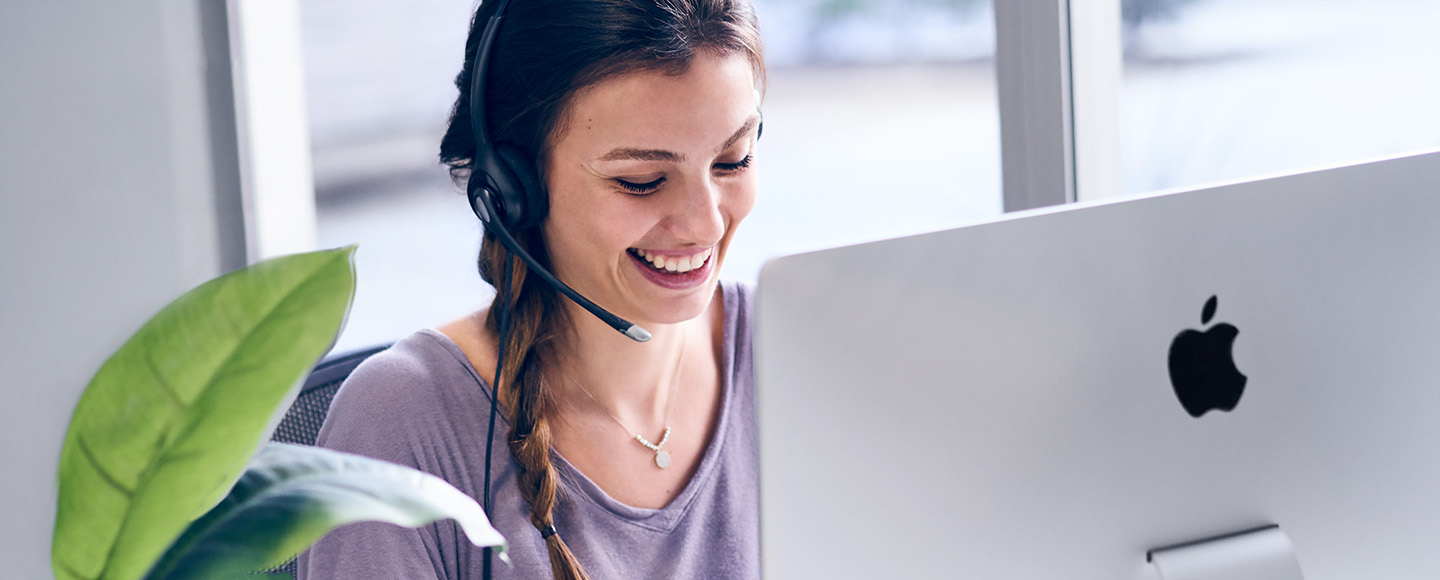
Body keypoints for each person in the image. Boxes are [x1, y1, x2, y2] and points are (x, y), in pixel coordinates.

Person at [298, 0, 765, 578]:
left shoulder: (797, 346)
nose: (707, 223)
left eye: (733, 160)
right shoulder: (400, 425)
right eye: (641, 182)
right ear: (513, 186)